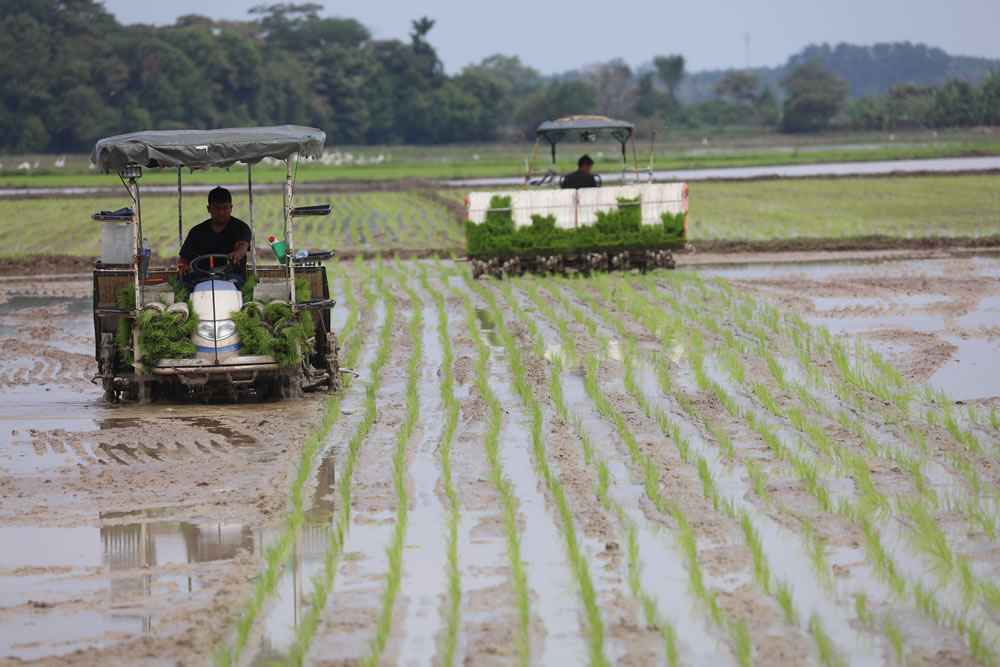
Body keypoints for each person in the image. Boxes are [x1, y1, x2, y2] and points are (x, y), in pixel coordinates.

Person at [178, 186, 252, 288]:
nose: (221, 212)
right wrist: (184, 266)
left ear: (231, 208)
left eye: (225, 208)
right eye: (217, 208)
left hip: (231, 273)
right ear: (209, 209)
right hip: (203, 273)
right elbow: (184, 259)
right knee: (183, 279)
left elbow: (242, 246)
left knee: (233, 282)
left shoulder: (241, 228)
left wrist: (237, 254)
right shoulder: (197, 231)